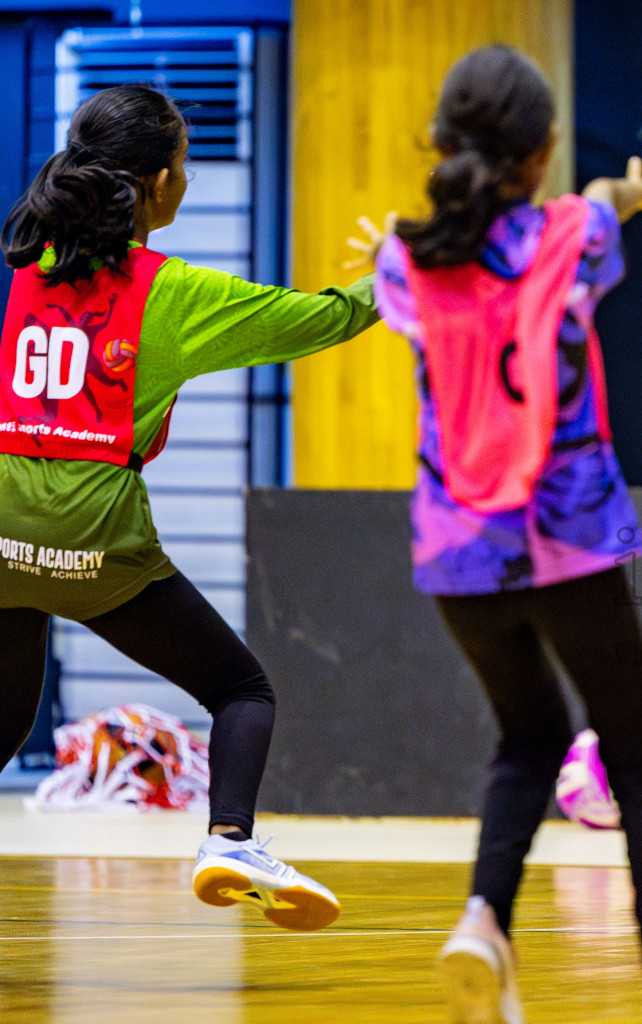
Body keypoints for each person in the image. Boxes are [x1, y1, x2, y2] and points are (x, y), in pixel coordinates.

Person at [367, 45, 642, 1024]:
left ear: (443, 141)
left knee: (528, 739)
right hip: (565, 535)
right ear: (541, 150)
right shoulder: (576, 236)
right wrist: (624, 193)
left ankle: (483, 914)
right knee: (638, 762)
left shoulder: (402, 259)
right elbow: (596, 209)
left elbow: (424, 270)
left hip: (456, 550)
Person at [0, 84, 380, 931]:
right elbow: (315, 319)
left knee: (5, 717)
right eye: (185, 167)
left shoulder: (31, 263)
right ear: (159, 183)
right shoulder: (166, 292)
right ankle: (231, 839)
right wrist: (393, 275)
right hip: (91, 531)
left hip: (1, 527)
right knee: (242, 690)